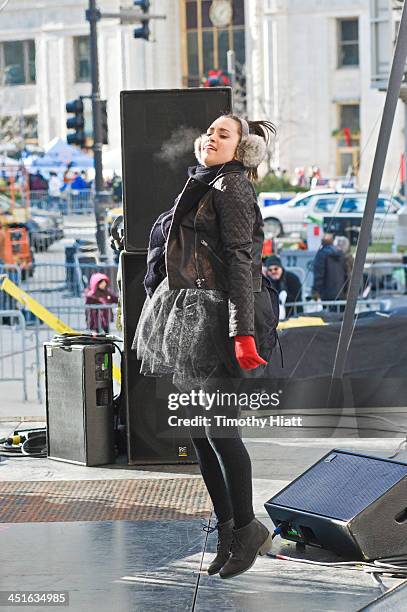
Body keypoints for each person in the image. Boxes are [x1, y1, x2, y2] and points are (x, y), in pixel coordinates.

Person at [132, 113, 277, 579]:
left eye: (225, 133)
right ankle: (229, 529)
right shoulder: (204, 183)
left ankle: (249, 528)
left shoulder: (232, 186)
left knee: (220, 432)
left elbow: (241, 259)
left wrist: (241, 329)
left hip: (216, 323)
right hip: (189, 320)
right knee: (199, 433)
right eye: (210, 132)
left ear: (242, 149)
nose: (213, 137)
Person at [312, 233, 347, 302]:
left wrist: (315, 290)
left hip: (327, 293)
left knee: (329, 311)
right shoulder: (341, 253)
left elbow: (319, 274)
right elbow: (346, 272)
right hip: (341, 292)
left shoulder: (321, 254)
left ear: (322, 242)